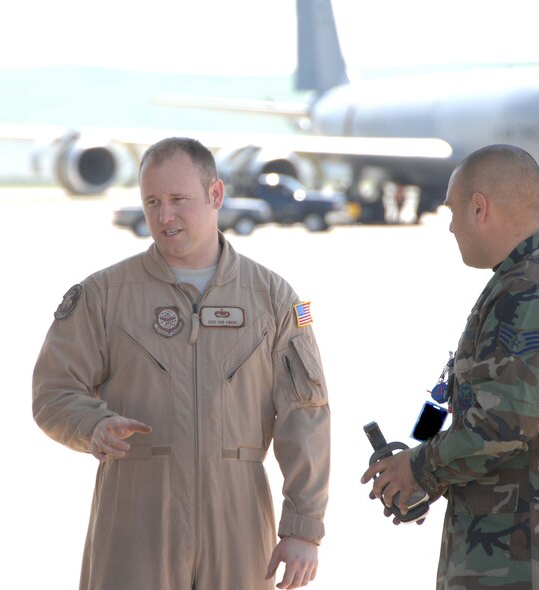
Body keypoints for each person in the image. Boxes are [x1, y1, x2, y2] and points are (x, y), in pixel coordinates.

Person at [32, 137, 330, 590]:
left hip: (238, 520)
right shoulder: (102, 296)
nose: (164, 215)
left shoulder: (275, 298)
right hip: (134, 519)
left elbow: (306, 413)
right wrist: (92, 425)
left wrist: (303, 528)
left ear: (215, 195)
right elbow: (53, 391)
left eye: (178, 199)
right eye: (152, 201)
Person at [361, 144, 539, 588]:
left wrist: (417, 469)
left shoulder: (535, 291)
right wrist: (427, 473)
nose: (450, 226)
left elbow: (501, 427)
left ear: (479, 208)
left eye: (452, 211)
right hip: (532, 551)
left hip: (533, 559)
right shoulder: (530, 280)